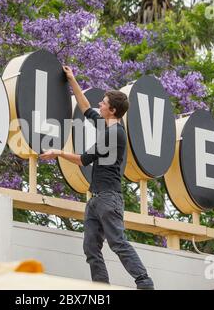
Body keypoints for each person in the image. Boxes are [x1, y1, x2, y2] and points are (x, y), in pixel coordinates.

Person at [39, 66, 155, 290]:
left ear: (111, 110)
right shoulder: (106, 125)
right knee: (91, 248)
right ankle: (101, 289)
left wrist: (58, 152)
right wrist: (72, 78)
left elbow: (83, 159)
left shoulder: (115, 134)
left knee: (117, 242)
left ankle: (145, 282)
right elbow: (84, 107)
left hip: (108, 199)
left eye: (102, 103)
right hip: (96, 199)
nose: (99, 105)